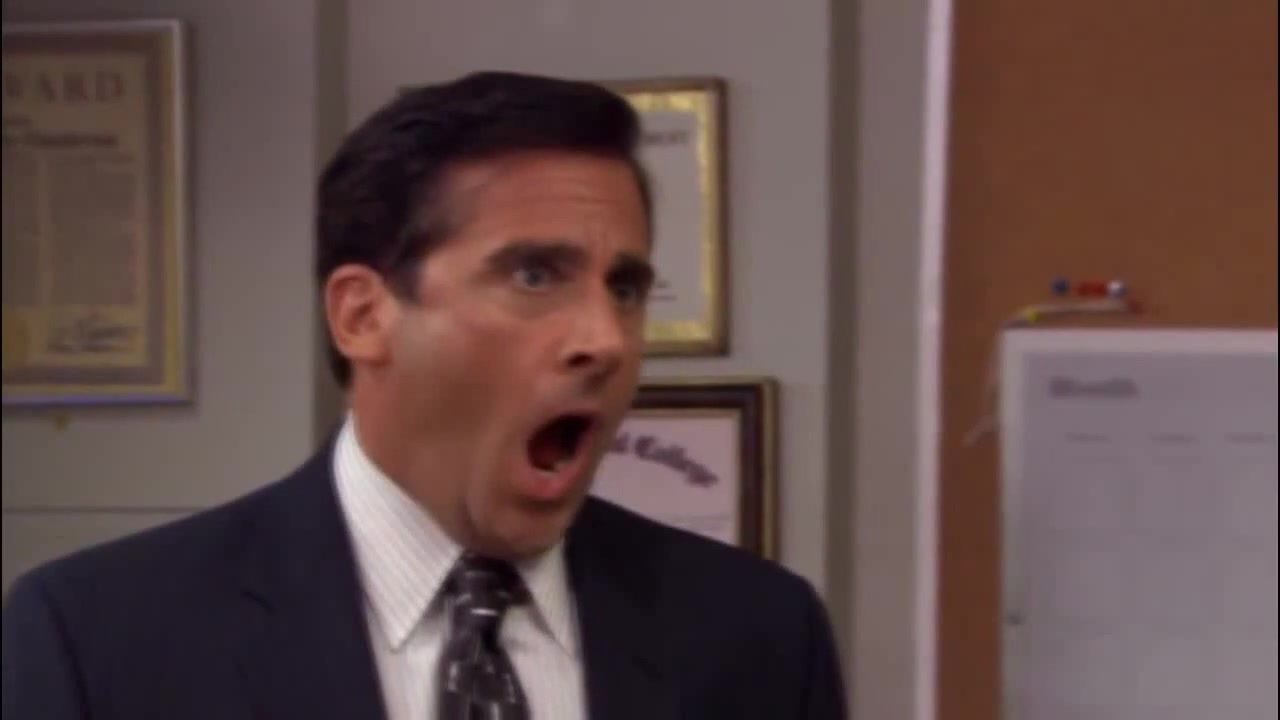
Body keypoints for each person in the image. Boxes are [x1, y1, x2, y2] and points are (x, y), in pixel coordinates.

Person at [2, 71, 847, 720]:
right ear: (363, 316)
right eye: (534, 275)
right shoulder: (98, 638)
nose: (608, 338)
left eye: (624, 288)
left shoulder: (760, 634)